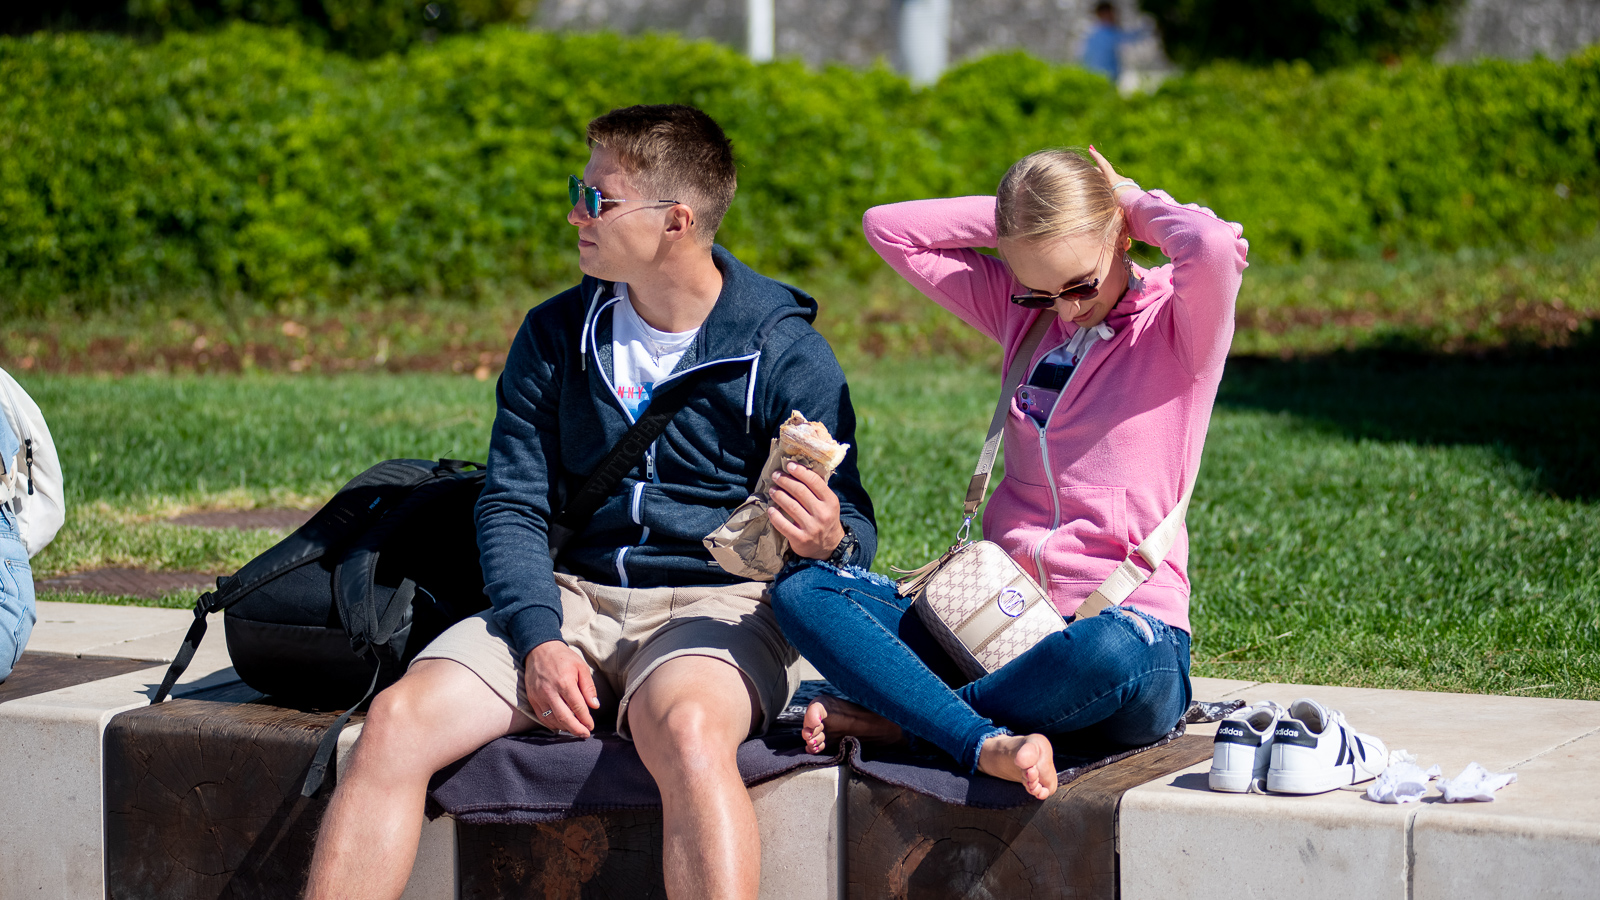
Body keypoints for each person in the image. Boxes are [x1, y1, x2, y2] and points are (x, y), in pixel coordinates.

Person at [303, 104, 876, 900]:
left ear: (676, 221)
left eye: (597, 199)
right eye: (579, 191)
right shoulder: (555, 334)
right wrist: (538, 638)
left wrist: (827, 538)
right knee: (396, 725)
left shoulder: (783, 353)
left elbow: (854, 531)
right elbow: (510, 504)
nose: (577, 213)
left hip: (716, 609)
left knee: (689, 734)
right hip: (567, 595)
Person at [770, 146, 1247, 800]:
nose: (1066, 310)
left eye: (1080, 284)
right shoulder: (1024, 314)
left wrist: (1130, 201)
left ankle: (912, 721)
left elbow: (1212, 245)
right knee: (806, 593)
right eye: (1040, 290)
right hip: (992, 621)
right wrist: (1022, 226)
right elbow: (889, 228)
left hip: (1127, 636)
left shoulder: (1178, 327)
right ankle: (978, 734)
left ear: (1120, 239)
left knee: (1108, 650)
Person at [1081, 1, 1146, 84]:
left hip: (1101, 76)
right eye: (1111, 13)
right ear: (1102, 14)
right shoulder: (1104, 32)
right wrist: (1147, 29)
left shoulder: (1093, 31)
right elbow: (1129, 37)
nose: (1115, 16)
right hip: (1104, 76)